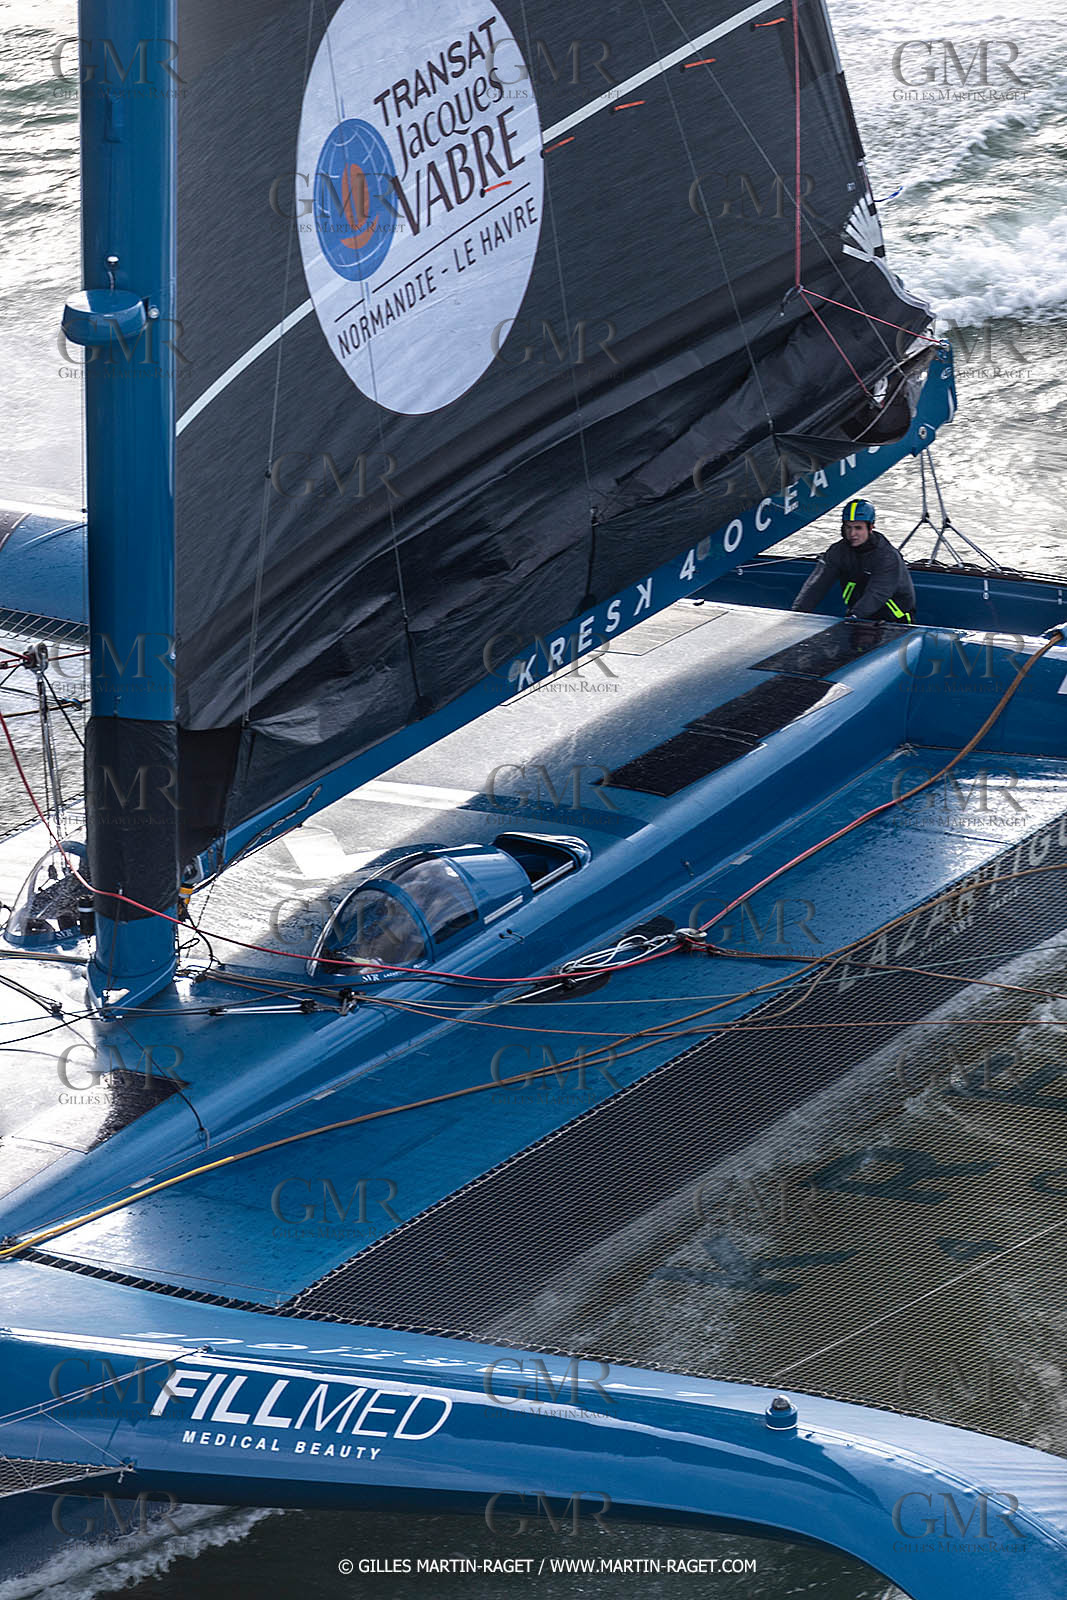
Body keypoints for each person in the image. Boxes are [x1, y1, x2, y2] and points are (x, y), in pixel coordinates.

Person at [791, 499, 916, 623]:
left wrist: (855, 616)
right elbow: (817, 584)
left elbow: (878, 593)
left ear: (870, 528)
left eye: (858, 528)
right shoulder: (837, 551)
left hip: (895, 620)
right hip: (858, 617)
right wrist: (797, 613)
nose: (852, 534)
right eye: (848, 527)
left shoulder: (887, 556)